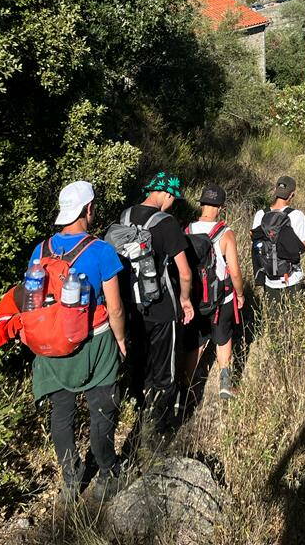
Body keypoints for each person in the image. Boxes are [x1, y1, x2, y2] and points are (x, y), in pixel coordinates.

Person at [28, 181, 126, 504]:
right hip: (95, 347)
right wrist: (122, 342)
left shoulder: (40, 251)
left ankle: (71, 480)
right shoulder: (101, 251)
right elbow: (115, 308)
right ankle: (108, 473)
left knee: (61, 416)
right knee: (101, 413)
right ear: (88, 210)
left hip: (53, 347)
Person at [121, 172, 194, 435]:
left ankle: (138, 411)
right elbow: (184, 272)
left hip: (132, 306)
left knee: (139, 360)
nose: (173, 203)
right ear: (166, 194)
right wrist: (185, 300)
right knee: (165, 367)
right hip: (163, 308)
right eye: (173, 198)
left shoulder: (125, 217)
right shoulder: (167, 223)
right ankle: (159, 425)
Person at [182, 185, 245, 400]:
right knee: (223, 339)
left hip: (195, 298)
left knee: (195, 343)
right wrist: (241, 294)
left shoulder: (187, 230)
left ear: (201, 203)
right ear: (221, 207)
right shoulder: (225, 233)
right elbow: (235, 271)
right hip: (222, 298)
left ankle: (186, 391)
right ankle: (225, 384)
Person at [251, 176, 305, 316]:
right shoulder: (296, 215)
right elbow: (302, 248)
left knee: (274, 318)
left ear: (275, 190)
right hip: (292, 277)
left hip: (269, 277)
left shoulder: (260, 214)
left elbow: (256, 245)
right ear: (292, 194)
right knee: (292, 318)